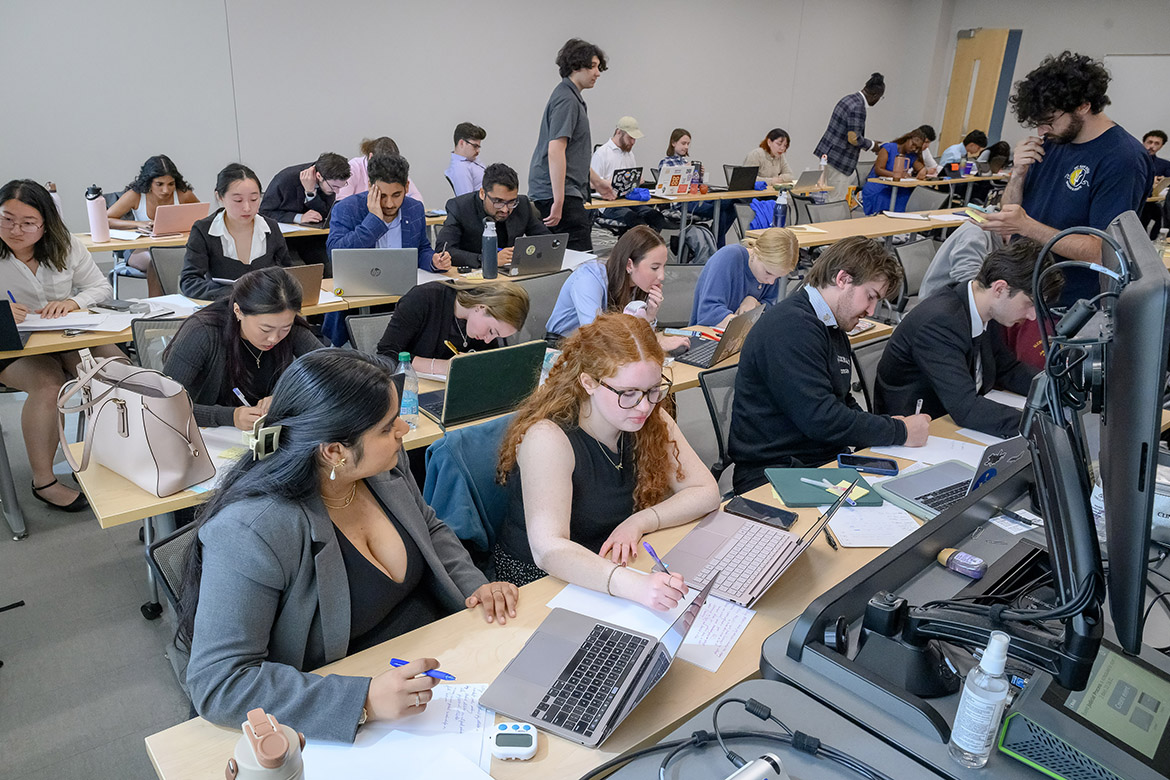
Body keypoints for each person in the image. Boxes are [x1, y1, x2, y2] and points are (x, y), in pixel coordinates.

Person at [175, 349, 519, 742]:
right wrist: (364, 701)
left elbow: (429, 528)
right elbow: (220, 683)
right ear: (334, 451)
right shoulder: (254, 530)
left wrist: (475, 589)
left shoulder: (381, 464)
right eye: (388, 427)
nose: (404, 430)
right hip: (345, 699)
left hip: (438, 664)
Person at [493, 313, 720, 607]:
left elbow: (706, 491)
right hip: (541, 583)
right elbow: (548, 549)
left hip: (612, 564)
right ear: (588, 382)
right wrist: (634, 586)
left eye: (653, 390)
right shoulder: (547, 438)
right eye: (628, 393)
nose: (645, 405)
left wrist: (639, 521)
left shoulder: (649, 417)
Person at [728, 236, 930, 493]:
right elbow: (821, 419)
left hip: (818, 462)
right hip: (776, 472)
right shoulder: (791, 327)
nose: (871, 310)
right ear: (843, 279)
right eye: (870, 296)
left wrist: (887, 428)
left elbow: (842, 401)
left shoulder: (831, 324)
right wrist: (899, 431)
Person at [981, 51, 1152, 306]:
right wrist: (1017, 174)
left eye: (1049, 121)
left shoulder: (1122, 159)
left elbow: (1102, 252)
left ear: (1083, 105)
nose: (1041, 131)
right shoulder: (1054, 141)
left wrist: (1027, 226)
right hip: (1025, 290)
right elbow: (1012, 213)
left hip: (1073, 304)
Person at [0, 180, 117, 511]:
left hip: (66, 334)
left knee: (118, 370)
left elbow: (100, 287)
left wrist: (74, 302)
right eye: (6, 219)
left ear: (45, 223)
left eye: (27, 223)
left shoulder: (63, 244)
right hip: (13, 348)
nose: (15, 230)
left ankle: (116, 457)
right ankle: (44, 481)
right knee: (49, 385)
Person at [875, 240, 1061, 439]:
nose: (1033, 316)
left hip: (949, 421)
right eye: (1029, 304)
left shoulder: (986, 309)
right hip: (919, 431)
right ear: (999, 289)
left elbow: (1007, 368)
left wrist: (1056, 390)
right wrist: (1039, 423)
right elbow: (966, 408)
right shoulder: (939, 322)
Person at [163, 267, 323, 430]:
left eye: (285, 328)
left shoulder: (290, 328)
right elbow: (163, 405)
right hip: (206, 435)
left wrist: (286, 398)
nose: (274, 338)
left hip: (265, 434)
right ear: (238, 312)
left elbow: (335, 373)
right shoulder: (202, 332)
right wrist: (230, 417)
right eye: (265, 329)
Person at [528, 38, 616, 251]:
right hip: (558, 194)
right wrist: (558, 201)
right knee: (581, 259)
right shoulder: (567, 100)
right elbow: (556, 150)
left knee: (569, 258)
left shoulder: (571, 97)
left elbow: (573, 154)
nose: (598, 73)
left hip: (563, 192)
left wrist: (597, 181)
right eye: (593, 66)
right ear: (576, 66)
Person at [545, 225, 689, 352]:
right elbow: (595, 337)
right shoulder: (588, 278)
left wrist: (650, 316)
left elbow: (631, 335)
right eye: (655, 267)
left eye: (664, 266)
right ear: (629, 265)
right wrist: (656, 343)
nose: (661, 276)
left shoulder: (636, 285)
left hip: (607, 352)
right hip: (563, 350)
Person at [179, 163, 296, 300]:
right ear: (220, 197)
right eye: (238, 200)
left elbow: (288, 273)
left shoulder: (270, 227)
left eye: (254, 199)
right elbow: (189, 281)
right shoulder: (203, 230)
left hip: (267, 310)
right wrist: (233, 294)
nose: (247, 208)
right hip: (223, 309)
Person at [375, 280, 529, 377]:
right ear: (481, 307)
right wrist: (443, 367)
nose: (489, 340)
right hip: (410, 393)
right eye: (491, 331)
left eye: (496, 337)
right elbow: (386, 354)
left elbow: (486, 362)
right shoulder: (423, 298)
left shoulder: (481, 329)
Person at [327, 154, 450, 272]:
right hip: (360, 285)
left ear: (406, 187)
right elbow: (335, 254)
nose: (389, 204)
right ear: (370, 186)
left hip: (404, 284)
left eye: (396, 195)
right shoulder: (347, 208)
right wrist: (373, 220)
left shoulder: (414, 209)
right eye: (382, 195)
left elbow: (422, 249)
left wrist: (433, 261)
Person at [435, 163, 549, 269]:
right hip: (474, 276)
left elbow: (546, 240)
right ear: (482, 193)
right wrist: (487, 259)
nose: (505, 209)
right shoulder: (460, 207)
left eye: (511, 202)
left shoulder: (522, 204)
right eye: (498, 201)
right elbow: (444, 251)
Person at [106, 155, 201, 271]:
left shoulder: (184, 195)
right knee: (157, 262)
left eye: (171, 184)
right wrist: (138, 224)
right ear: (148, 182)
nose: (166, 190)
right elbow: (104, 221)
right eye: (159, 184)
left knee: (199, 259)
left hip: (176, 246)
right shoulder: (135, 196)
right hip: (141, 248)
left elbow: (202, 219)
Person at [690, 227, 799, 328]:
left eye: (778, 277)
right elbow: (708, 313)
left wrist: (754, 302)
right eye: (768, 273)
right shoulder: (728, 258)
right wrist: (742, 325)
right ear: (756, 252)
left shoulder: (770, 271)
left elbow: (770, 307)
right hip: (707, 336)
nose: (771, 282)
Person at [260, 152, 351, 268]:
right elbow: (264, 212)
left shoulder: (329, 181)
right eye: (335, 187)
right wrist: (298, 218)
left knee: (329, 268)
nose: (337, 192)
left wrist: (310, 193)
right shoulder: (286, 179)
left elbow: (326, 213)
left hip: (314, 237)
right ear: (319, 176)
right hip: (286, 239)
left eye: (341, 187)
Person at [813, 73, 886, 201]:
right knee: (836, 200)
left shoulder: (848, 99)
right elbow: (853, 138)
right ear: (875, 95)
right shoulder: (859, 107)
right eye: (880, 97)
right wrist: (873, 145)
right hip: (840, 161)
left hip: (827, 155)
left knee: (824, 197)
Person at [659, 128, 737, 247]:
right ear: (673, 143)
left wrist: (698, 176)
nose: (686, 147)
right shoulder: (666, 162)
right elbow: (669, 185)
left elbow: (696, 187)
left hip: (695, 198)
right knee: (721, 210)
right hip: (682, 203)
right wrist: (686, 170)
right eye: (683, 143)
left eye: (688, 144)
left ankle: (712, 242)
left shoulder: (686, 161)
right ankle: (716, 245)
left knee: (732, 206)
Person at [591, 116, 666, 232]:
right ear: (619, 132)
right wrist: (608, 182)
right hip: (608, 204)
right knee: (635, 221)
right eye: (630, 138)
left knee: (657, 217)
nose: (633, 142)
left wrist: (637, 181)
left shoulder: (629, 154)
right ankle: (636, 247)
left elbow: (631, 179)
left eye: (634, 139)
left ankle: (648, 247)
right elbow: (591, 183)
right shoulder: (602, 154)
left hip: (628, 199)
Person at [918, 220, 1003, 299]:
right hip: (940, 301)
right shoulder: (974, 234)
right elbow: (969, 282)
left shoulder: (1003, 237)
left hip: (958, 297)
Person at [333, 137, 425, 204]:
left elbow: (417, 200)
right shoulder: (353, 168)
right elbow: (342, 202)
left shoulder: (394, 169)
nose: (386, 171)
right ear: (371, 157)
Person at [860, 128, 929, 215]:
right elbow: (878, 169)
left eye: (917, 148)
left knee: (910, 197)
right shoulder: (888, 148)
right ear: (907, 139)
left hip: (897, 187)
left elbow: (921, 168)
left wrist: (923, 170)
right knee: (882, 197)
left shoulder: (911, 155)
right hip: (878, 183)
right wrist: (896, 175)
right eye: (913, 144)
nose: (913, 148)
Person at [444, 122, 487, 196]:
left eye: (478, 147)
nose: (478, 151)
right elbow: (467, 201)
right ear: (462, 143)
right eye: (475, 146)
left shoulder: (472, 159)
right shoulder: (460, 168)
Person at [1140, 130, 1169, 237]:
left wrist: (1161, 180)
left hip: (1152, 202)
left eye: (1157, 143)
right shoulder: (1135, 160)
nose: (1152, 146)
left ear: (1161, 146)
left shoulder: (1165, 165)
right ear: (1144, 142)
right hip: (1138, 201)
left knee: (1159, 213)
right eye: (1150, 142)